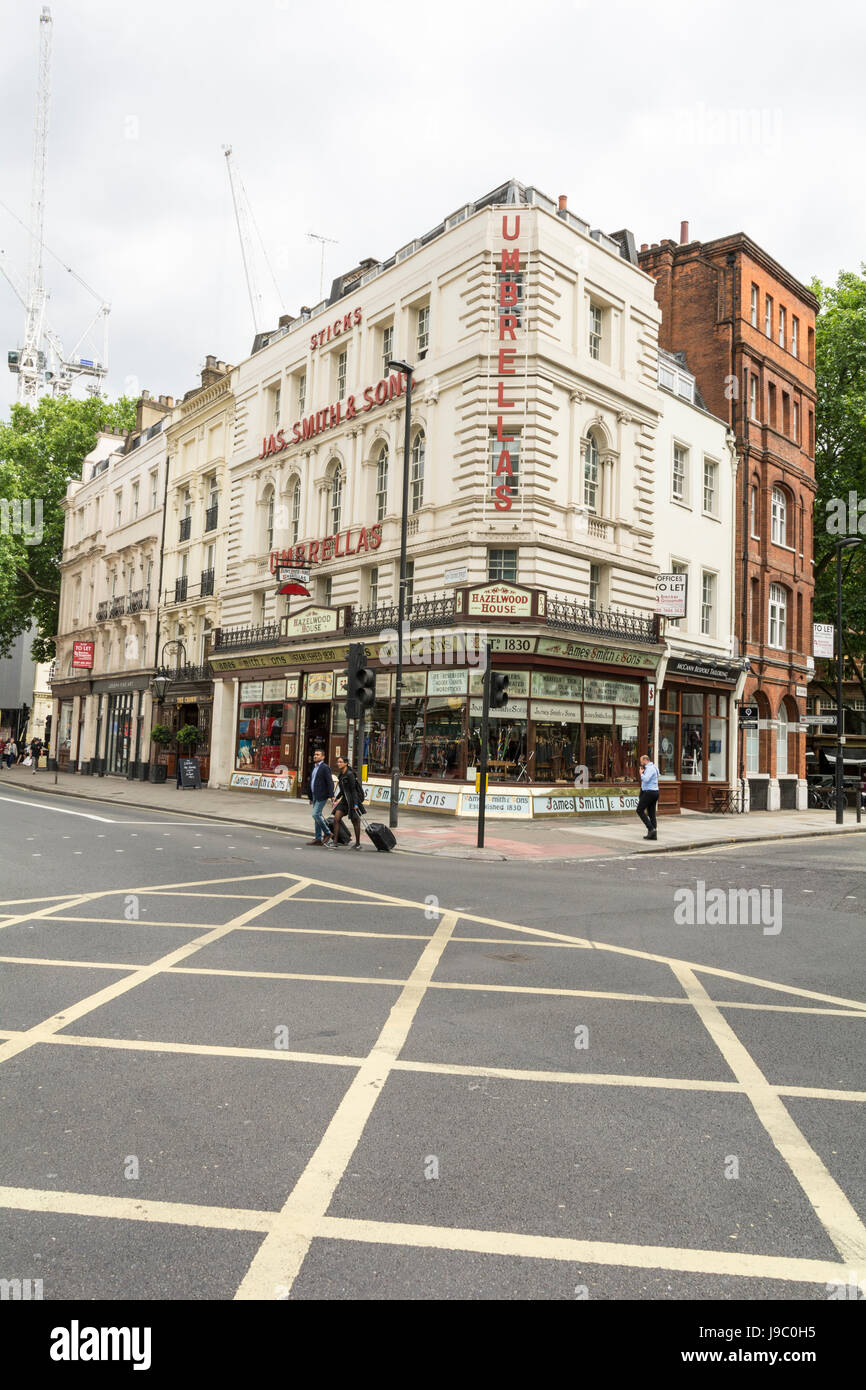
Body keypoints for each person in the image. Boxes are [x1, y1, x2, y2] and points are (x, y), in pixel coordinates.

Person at [331, 756, 364, 850]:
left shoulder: (350, 774)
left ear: (346, 763)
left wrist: (356, 804)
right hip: (344, 801)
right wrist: (336, 798)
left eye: (340, 762)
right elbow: (342, 790)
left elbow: (353, 790)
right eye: (338, 762)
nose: (338, 764)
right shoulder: (341, 775)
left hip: (352, 801)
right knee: (336, 818)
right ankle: (335, 842)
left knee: (355, 821)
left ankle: (357, 844)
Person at [307, 747, 334, 846]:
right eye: (315, 754)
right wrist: (310, 797)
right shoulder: (314, 767)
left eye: (318, 754)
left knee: (315, 814)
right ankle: (318, 838)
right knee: (316, 816)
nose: (315, 756)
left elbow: (330, 782)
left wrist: (332, 795)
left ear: (323, 757)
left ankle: (327, 832)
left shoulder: (325, 767)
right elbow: (311, 782)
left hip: (322, 795)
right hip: (314, 795)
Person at [636, 752, 659, 841]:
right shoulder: (654, 767)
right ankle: (653, 834)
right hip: (654, 792)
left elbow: (645, 779)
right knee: (651, 813)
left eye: (642, 762)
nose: (641, 764)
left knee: (639, 810)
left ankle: (651, 829)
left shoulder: (650, 768)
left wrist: (641, 773)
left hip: (649, 793)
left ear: (645, 760)